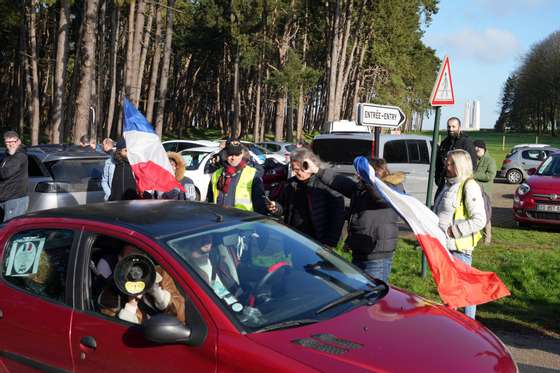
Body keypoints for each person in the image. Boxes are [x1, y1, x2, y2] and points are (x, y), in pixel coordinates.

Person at [313, 158, 404, 282]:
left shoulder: (390, 189)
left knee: (373, 296)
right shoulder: (362, 189)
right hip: (360, 251)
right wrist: (318, 171)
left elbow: (379, 197)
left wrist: (367, 179)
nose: (356, 175)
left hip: (376, 255)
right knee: (361, 292)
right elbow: (341, 183)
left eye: (360, 172)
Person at [433, 149, 486, 319]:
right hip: (444, 247)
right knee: (450, 292)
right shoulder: (449, 184)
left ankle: (470, 327)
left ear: (461, 165)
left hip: (459, 249)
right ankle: (453, 327)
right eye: (446, 162)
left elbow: (479, 220)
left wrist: (453, 231)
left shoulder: (469, 186)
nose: (446, 166)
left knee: (466, 292)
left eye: (451, 163)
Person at [267, 148, 345, 248]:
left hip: (318, 240)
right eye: (294, 170)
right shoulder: (291, 184)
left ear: (308, 166)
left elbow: (337, 215)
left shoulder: (324, 185)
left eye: (299, 170)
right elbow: (283, 207)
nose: (296, 173)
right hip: (295, 238)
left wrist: (331, 242)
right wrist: (276, 207)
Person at [97, 245, 185, 324]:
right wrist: (131, 305)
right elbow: (116, 331)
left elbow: (181, 315)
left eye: (140, 255)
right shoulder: (111, 292)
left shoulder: (161, 274)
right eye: (130, 258)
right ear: (120, 260)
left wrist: (158, 294)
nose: (135, 265)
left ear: (146, 257)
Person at [207, 138, 266, 214]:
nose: (233, 158)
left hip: (243, 223)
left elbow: (260, 208)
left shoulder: (253, 174)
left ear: (242, 154)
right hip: (220, 221)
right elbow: (210, 203)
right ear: (225, 155)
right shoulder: (216, 175)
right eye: (230, 154)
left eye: (237, 154)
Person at [435, 117, 477, 198]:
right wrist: (438, 178)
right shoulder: (445, 143)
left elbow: (473, 165)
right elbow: (438, 163)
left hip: (460, 183)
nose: (451, 129)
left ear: (459, 127)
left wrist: (465, 183)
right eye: (449, 126)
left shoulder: (466, 143)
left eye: (453, 126)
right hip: (445, 183)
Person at [0, 131, 29, 222]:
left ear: (18, 141)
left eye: (13, 142)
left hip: (15, 199)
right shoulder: (8, 156)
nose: (10, 144)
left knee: (10, 227)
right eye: (7, 142)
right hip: (6, 197)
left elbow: (6, 173)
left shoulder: (20, 156)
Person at [473, 140, 496, 244]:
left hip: (485, 193)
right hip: (474, 192)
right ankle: (474, 238)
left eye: (479, 147)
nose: (477, 149)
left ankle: (487, 239)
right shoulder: (474, 159)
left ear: (484, 149)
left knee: (485, 215)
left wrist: (474, 175)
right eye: (475, 147)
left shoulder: (490, 160)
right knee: (473, 214)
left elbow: (490, 176)